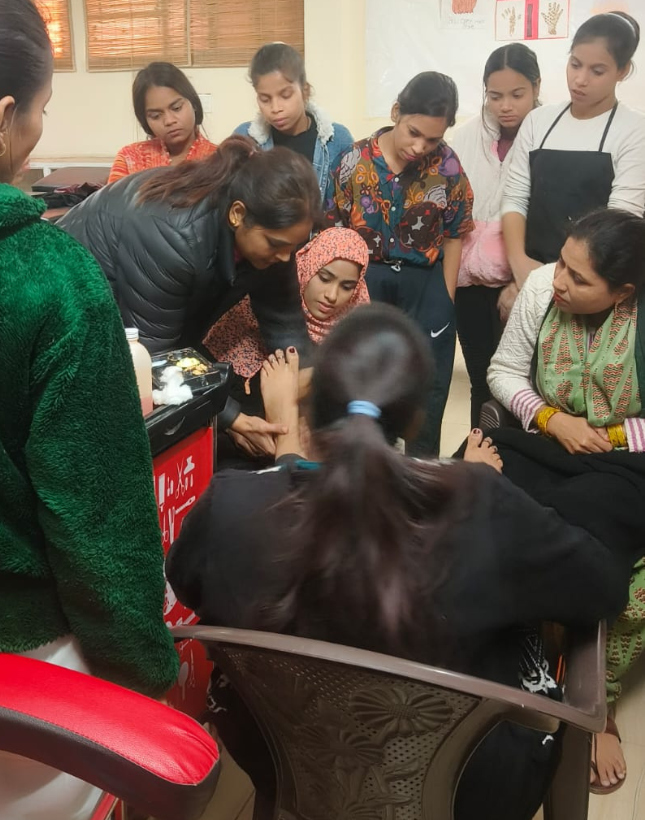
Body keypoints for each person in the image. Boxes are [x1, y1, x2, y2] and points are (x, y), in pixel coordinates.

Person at [167, 303, 631, 820]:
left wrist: (287, 456)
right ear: (414, 420)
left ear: (311, 406)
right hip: (466, 786)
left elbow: (187, 583)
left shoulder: (230, 505)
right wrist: (476, 488)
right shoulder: (481, 506)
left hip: (283, 758)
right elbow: (600, 588)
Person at [0, 0, 178, 820]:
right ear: (0, 121)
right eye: (39, 109)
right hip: (26, 668)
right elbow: (97, 519)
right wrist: (142, 674)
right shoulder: (46, 273)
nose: (36, 128)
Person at [487, 208, 645, 795]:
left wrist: (608, 435)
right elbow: (504, 371)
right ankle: (500, 652)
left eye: (579, 279)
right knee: (473, 486)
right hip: (549, 440)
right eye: (561, 263)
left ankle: (592, 698)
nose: (559, 282)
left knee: (588, 536)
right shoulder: (539, 288)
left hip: (624, 459)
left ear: (622, 292)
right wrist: (552, 419)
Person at [60, 135, 320, 458]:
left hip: (150, 304)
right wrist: (232, 417)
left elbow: (286, 323)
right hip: (73, 297)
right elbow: (156, 356)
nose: (285, 258)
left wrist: (303, 399)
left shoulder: (274, 238)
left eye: (293, 247)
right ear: (238, 214)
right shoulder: (174, 236)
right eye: (276, 245)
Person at [325, 71, 473, 456]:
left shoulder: (448, 166)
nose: (420, 147)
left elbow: (455, 233)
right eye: (413, 132)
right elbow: (332, 229)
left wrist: (446, 297)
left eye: (433, 139)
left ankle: (421, 469)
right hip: (366, 281)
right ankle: (368, 462)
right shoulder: (353, 160)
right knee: (365, 380)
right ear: (396, 113)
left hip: (425, 283)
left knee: (430, 383)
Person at [502, 12, 645, 286]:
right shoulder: (538, 121)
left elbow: (619, 223)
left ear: (623, 70)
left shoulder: (634, 129)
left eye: (597, 71)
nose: (580, 79)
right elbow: (515, 198)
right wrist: (519, 265)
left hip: (593, 282)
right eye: (575, 64)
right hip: (528, 272)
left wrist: (559, 281)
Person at [454, 44, 541, 425]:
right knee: (481, 379)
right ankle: (481, 450)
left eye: (517, 95)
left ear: (536, 87)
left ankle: (514, 453)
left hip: (524, 280)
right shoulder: (466, 137)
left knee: (522, 384)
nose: (505, 106)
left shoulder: (548, 136)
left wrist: (523, 281)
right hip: (469, 282)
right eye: (495, 96)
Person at [203, 226, 370, 380]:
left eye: (347, 287)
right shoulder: (259, 310)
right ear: (307, 267)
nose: (332, 296)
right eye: (324, 279)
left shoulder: (356, 337)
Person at [234, 43, 353, 193]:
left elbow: (350, 199)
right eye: (265, 99)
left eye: (285, 96)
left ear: (305, 90)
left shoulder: (338, 141)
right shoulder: (244, 139)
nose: (275, 108)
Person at [107, 61, 216, 183]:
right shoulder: (129, 158)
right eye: (156, 116)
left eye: (177, 108)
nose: (169, 121)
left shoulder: (220, 161)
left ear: (193, 104)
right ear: (145, 120)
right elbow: (115, 196)